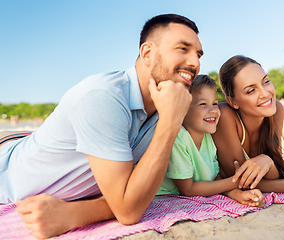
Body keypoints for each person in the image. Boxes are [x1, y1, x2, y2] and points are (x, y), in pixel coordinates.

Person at [0, 14, 203, 239]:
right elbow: (128, 209)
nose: (195, 63)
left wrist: (75, 212)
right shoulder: (103, 96)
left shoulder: (167, 105)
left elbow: (129, 202)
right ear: (147, 53)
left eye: (198, 54)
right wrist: (169, 123)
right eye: (183, 49)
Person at [212, 55, 284, 193]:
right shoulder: (225, 115)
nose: (265, 93)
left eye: (265, 82)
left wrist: (267, 161)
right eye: (251, 90)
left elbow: (276, 172)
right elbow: (238, 180)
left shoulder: (276, 110)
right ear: (233, 102)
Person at [157, 75, 264, 208]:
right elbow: (188, 189)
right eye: (203, 104)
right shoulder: (178, 138)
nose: (213, 110)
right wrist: (236, 181)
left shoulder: (208, 137)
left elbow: (215, 178)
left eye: (215, 103)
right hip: (162, 195)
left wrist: (237, 194)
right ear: (182, 110)